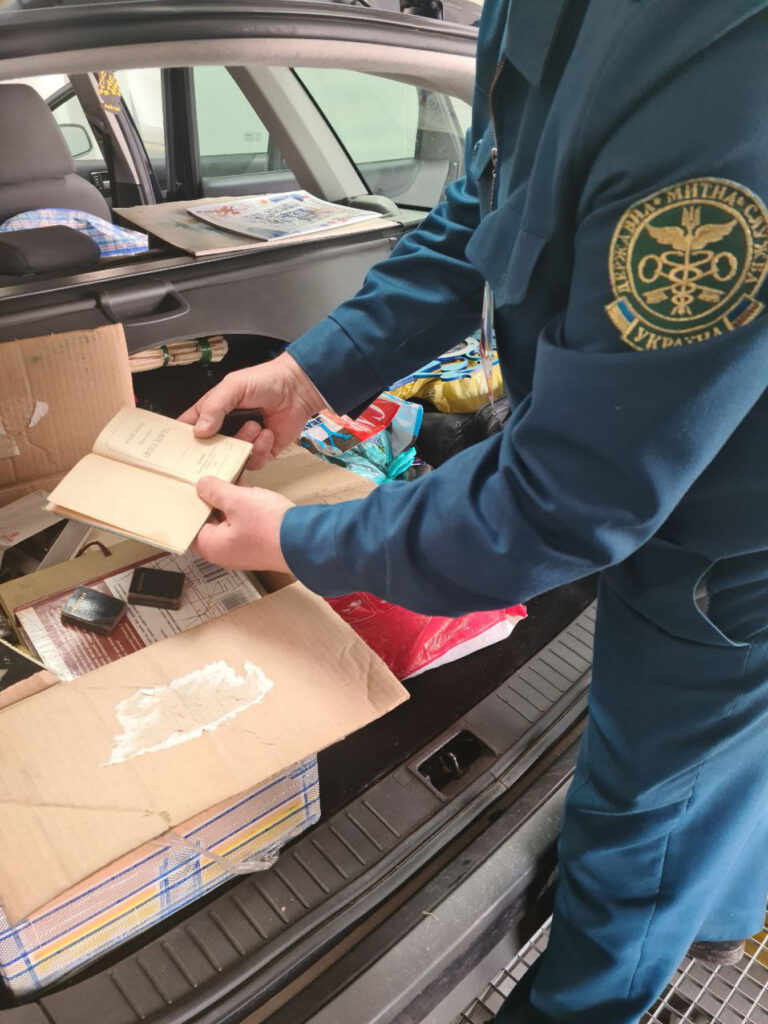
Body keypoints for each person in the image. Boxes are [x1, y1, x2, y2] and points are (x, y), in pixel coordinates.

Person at [180, 1, 768, 1020]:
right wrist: (313, 371)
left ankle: (590, 998)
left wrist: (300, 538)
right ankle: (720, 904)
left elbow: (563, 501)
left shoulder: (731, 84)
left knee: (641, 811)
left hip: (730, 536)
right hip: (655, 460)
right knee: (722, 751)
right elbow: (483, 211)